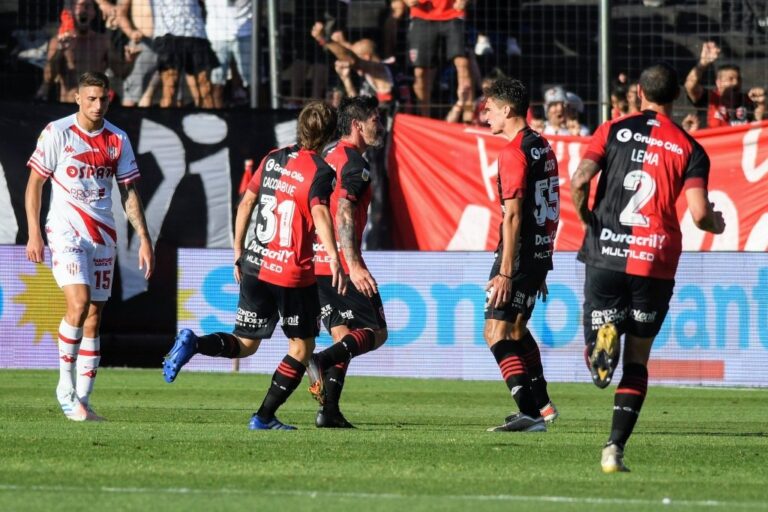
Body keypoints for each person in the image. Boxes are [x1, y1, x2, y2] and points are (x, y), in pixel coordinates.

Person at [570, 63, 726, 473]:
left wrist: (588, 220)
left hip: (606, 250)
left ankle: (601, 340)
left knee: (598, 347)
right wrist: (717, 223)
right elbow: (698, 214)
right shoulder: (690, 148)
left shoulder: (611, 130)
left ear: (639, 92)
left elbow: (580, 179)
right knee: (637, 361)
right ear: (676, 97)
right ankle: (613, 449)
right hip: (654, 259)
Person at [162, 101, 347, 431]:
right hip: (291, 274)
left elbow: (246, 201)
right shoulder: (321, 171)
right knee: (302, 348)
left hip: (253, 264)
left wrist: (237, 250)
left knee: (245, 345)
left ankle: (195, 343)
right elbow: (319, 212)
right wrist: (333, 256)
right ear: (331, 136)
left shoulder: (273, 158)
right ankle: (263, 416)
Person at [25, 71, 155, 421]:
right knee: (79, 303)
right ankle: (64, 387)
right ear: (78, 98)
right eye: (91, 98)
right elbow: (35, 184)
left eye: (103, 99)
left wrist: (143, 237)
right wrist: (34, 233)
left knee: (94, 318)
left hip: (103, 235)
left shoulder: (118, 139)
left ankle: (82, 399)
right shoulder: (59, 132)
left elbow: (128, 191)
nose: (98, 105)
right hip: (66, 232)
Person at [481, 77, 560, 433]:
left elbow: (512, 215)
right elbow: (551, 207)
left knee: (495, 332)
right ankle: (541, 404)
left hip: (519, 254)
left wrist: (507, 271)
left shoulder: (512, 152)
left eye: (490, 108)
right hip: (537, 252)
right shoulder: (543, 146)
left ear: (507, 109)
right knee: (515, 329)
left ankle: (529, 413)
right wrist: (544, 260)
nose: (486, 115)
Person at [305, 96, 389, 428]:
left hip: (314, 262)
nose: (379, 126)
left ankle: (328, 412)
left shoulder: (326, 156)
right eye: (375, 120)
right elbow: (343, 210)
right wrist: (353, 264)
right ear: (357, 125)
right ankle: (319, 359)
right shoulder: (355, 164)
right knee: (376, 332)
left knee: (344, 337)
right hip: (339, 263)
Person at [36, 0, 126, 103]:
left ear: (94, 12)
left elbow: (121, 72)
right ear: (70, 12)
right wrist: (60, 50)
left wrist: (131, 60)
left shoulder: (103, 42)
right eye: (78, 5)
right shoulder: (58, 42)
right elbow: (48, 79)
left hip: (95, 109)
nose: (83, 9)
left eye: (87, 5)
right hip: (68, 107)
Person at [404, 0, 473, 120]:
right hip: (422, 14)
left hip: (453, 14)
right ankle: (424, 119)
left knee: (463, 65)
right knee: (420, 72)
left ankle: (469, 118)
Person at [152, 0, 218, 108]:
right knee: (170, 87)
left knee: (205, 87)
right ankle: (167, 120)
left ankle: (209, 121)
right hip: (168, 34)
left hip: (196, 32)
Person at [685, 41, 766, 127]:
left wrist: (761, 105)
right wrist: (703, 63)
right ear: (718, 82)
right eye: (730, 79)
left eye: (738, 79)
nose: (736, 82)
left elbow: (759, 122)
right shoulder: (708, 97)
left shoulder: (747, 100)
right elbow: (690, 85)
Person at [115, 0, 157, 107]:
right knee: (131, 97)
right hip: (143, 44)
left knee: (171, 91)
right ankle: (126, 122)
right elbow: (120, 13)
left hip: (170, 44)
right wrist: (131, 32)